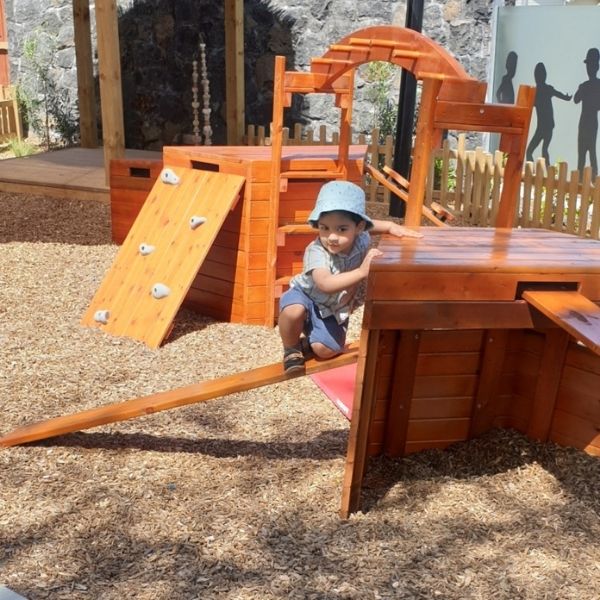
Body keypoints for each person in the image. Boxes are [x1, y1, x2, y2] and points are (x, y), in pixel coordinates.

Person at [278, 180, 422, 373]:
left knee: (325, 351)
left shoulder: (362, 238)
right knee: (292, 311)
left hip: (332, 308)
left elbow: (372, 226)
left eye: (342, 229)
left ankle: (309, 338)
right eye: (324, 228)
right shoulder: (317, 251)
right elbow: (325, 284)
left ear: (359, 227)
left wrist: (389, 226)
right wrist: (362, 272)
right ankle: (291, 348)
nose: (332, 237)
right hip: (306, 296)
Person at [526, 62, 572, 165]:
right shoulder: (539, 91)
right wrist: (566, 97)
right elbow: (559, 94)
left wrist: (566, 98)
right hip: (544, 126)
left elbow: (558, 94)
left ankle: (543, 175)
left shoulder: (542, 90)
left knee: (539, 150)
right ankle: (535, 173)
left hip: (546, 127)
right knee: (539, 150)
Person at [574, 47, 600, 179]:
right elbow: (576, 99)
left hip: (589, 122)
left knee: (590, 152)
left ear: (596, 66)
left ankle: (594, 182)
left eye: (591, 65)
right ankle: (580, 182)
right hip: (585, 122)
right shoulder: (585, 85)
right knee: (583, 154)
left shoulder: (593, 85)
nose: (589, 68)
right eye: (588, 65)